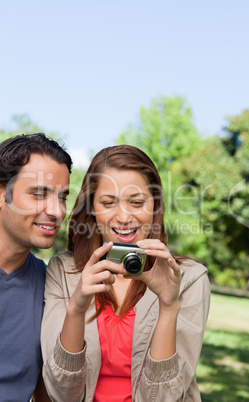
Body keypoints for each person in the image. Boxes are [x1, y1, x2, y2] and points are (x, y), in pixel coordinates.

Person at [41, 145, 210, 402]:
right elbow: (61, 393)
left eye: (137, 202)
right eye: (108, 203)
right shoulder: (62, 271)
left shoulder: (189, 278)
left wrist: (168, 306)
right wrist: (76, 307)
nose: (124, 216)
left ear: (155, 206)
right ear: (92, 209)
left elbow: (163, 398)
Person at [0, 133, 72, 402]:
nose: (57, 211)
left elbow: (46, 390)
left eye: (62, 197)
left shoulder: (50, 284)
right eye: (39, 194)